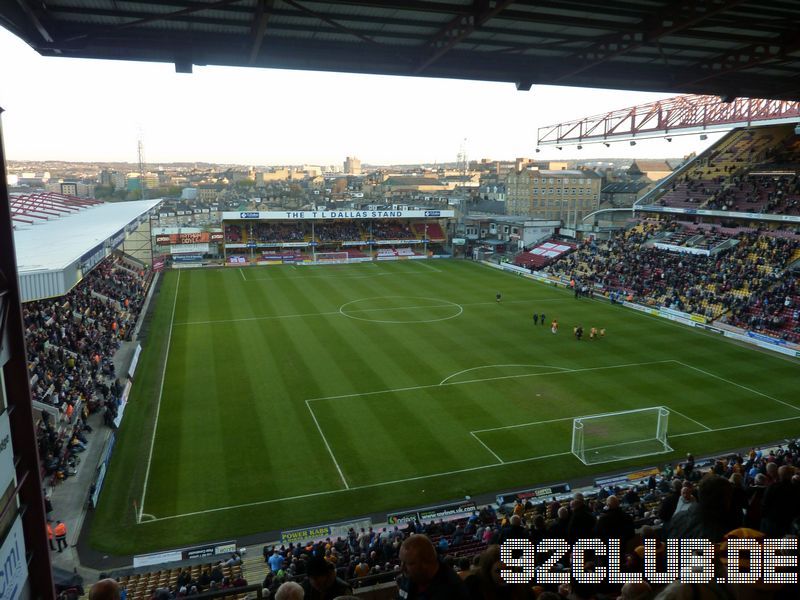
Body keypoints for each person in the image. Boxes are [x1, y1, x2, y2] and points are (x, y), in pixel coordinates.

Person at [396, 534, 470, 599]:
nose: (402, 568)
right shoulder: (408, 577)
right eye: (402, 561)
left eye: (409, 563)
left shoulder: (453, 591)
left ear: (425, 563)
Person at [465, 544, 535, 600]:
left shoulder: (521, 584)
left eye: (508, 569)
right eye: (498, 571)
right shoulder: (475, 588)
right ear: (488, 571)